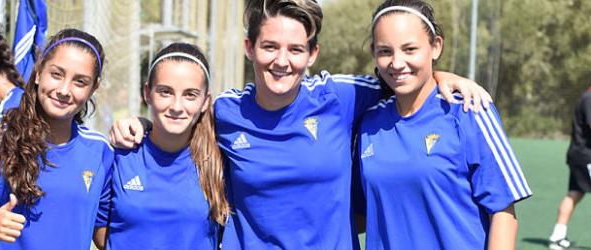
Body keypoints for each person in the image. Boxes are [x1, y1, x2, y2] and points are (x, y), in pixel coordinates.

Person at [110, 0, 492, 248]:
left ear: (313, 53)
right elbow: (178, 114)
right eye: (269, 47)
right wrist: (138, 124)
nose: (282, 60)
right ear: (249, 48)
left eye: (296, 49)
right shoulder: (225, 110)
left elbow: (403, 72)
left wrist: (446, 77)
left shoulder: (340, 96)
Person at [357, 0, 532, 249]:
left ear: (436, 46)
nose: (397, 62)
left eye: (410, 49)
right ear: (374, 52)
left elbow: (503, 212)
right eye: (385, 51)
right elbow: (362, 214)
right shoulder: (369, 123)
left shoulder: (469, 110)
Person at [0, 28, 112, 250]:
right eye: (56, 74)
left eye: (80, 81)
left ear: (93, 88)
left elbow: (105, 237)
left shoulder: (100, 151)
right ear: (39, 72)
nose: (64, 90)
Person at [93, 43, 229, 249]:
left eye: (190, 94)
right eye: (165, 92)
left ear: (205, 101)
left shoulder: (220, 163)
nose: (176, 106)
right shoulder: (119, 156)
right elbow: (101, 231)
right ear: (147, 93)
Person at [547, 87, 591, 250]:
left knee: (575, 194)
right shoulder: (589, 99)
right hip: (586, 157)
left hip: (579, 156)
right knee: (574, 194)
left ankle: (557, 237)